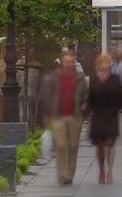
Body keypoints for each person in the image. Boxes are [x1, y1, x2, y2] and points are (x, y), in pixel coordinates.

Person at [38, 52, 88, 186]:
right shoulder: (54, 77)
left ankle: (69, 174)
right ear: (62, 62)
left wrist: (85, 105)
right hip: (57, 116)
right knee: (61, 145)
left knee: (72, 146)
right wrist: (47, 115)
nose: (69, 64)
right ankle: (61, 173)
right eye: (67, 61)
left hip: (75, 117)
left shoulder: (80, 78)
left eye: (72, 61)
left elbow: (86, 95)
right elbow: (46, 97)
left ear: (74, 63)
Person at [88, 54, 122, 185]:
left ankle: (110, 171)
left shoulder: (116, 79)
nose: (104, 65)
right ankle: (101, 170)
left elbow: (121, 99)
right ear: (98, 64)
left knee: (110, 143)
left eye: (107, 62)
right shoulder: (93, 79)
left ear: (110, 64)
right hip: (98, 115)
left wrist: (117, 110)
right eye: (102, 62)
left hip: (111, 115)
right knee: (100, 145)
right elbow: (90, 98)